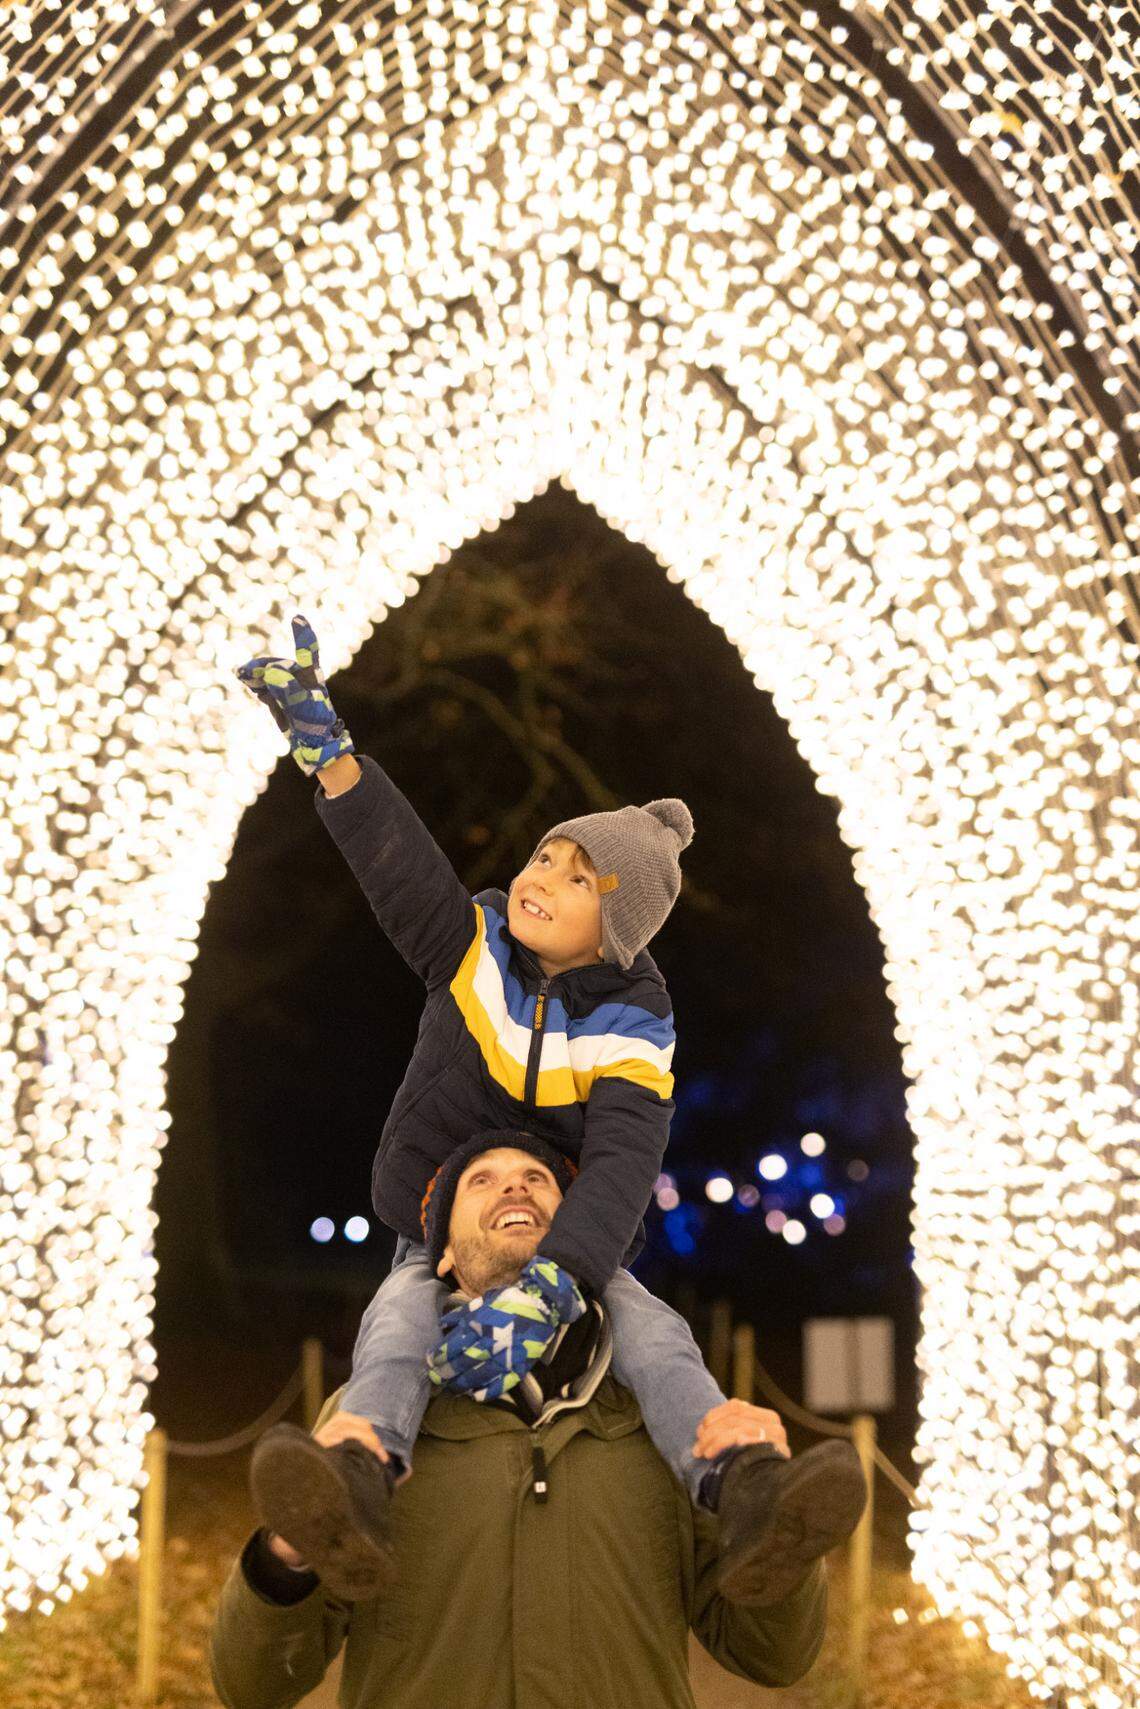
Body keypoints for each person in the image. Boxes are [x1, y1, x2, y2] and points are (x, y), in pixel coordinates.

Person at [234, 617, 865, 1602]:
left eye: (578, 879)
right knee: (397, 1320)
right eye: (545, 858)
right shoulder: (476, 943)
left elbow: (622, 1156)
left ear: (614, 931)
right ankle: (358, 1472)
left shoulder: (632, 1020)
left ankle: (741, 1486)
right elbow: (400, 870)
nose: (543, 879)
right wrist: (330, 751)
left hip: (561, 1226)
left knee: (654, 1332)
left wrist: (557, 1283)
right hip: (440, 1211)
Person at [211, 1141, 836, 1709]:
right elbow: (253, 1685)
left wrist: (780, 1541)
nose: (515, 1188)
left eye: (537, 1178)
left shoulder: (674, 1418)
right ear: (444, 1254)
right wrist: (287, 1557)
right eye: (481, 1181)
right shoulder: (366, 1426)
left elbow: (771, 1658)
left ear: (582, 1239)